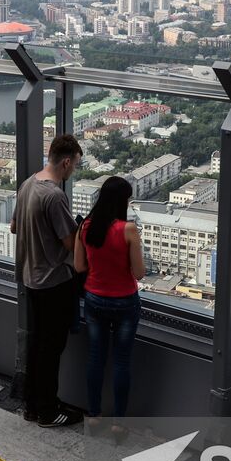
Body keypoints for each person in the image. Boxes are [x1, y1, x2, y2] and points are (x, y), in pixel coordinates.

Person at [11, 133, 84, 428]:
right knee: (51, 349)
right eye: (74, 164)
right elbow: (69, 243)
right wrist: (80, 229)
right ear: (65, 162)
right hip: (54, 281)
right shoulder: (54, 196)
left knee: (37, 344)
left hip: (31, 277)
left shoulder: (27, 184)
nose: (73, 170)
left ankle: (32, 405)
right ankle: (47, 410)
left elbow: (14, 226)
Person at [72, 175, 145, 433]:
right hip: (124, 302)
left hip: (94, 299)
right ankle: (118, 423)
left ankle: (93, 416)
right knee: (121, 362)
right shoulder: (128, 230)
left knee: (96, 358)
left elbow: (79, 266)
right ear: (122, 201)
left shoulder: (85, 227)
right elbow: (139, 273)